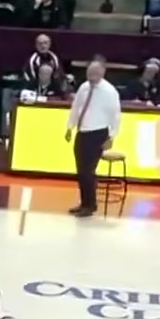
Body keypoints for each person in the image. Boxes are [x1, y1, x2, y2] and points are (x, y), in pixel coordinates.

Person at [64, 57, 121, 218]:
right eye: (90, 71)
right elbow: (76, 107)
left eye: (96, 72)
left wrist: (112, 136)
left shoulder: (109, 91)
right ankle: (84, 202)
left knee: (88, 171)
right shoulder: (83, 88)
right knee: (81, 171)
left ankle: (90, 205)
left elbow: (115, 115)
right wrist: (70, 126)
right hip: (82, 132)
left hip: (97, 134)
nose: (92, 75)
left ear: (103, 72)